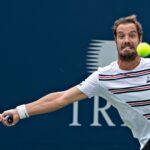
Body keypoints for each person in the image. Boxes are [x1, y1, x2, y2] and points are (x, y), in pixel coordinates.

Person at [0, 15, 150, 150]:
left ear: (140, 39)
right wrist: (20, 112)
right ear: (115, 41)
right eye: (121, 36)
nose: (127, 40)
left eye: (132, 35)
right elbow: (61, 98)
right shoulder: (103, 77)